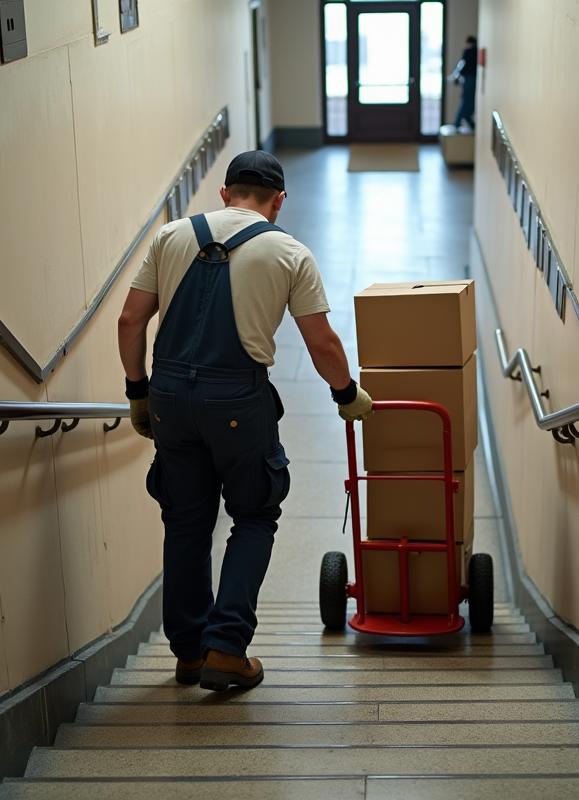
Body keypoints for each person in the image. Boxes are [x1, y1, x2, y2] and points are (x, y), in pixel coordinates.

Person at [117, 150, 372, 692]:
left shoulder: (171, 236)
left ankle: (188, 654)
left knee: (185, 522)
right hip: (236, 402)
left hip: (167, 397)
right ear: (279, 200)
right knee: (254, 516)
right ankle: (226, 648)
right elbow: (321, 343)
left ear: (225, 192)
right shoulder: (289, 252)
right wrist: (346, 394)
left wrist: (138, 393)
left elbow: (130, 318)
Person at [451, 35, 479, 131]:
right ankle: (470, 124)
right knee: (469, 102)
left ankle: (458, 122)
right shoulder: (476, 51)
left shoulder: (469, 51)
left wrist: (456, 77)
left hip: (469, 79)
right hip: (473, 79)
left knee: (466, 101)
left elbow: (462, 65)